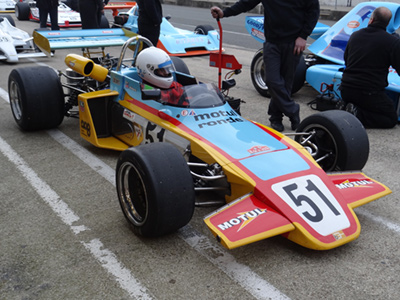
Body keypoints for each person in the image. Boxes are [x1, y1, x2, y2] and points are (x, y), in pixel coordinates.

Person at [211, 0, 319, 132]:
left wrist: (303, 36)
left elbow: (313, 12)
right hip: (272, 43)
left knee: (286, 84)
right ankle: (293, 110)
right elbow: (246, 3)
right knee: (272, 81)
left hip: (294, 44)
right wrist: (224, 12)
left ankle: (275, 117)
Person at [340, 6, 400, 129]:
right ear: (387, 23)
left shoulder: (355, 35)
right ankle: (357, 114)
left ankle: (348, 106)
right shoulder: (392, 42)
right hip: (369, 92)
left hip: (346, 88)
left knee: (366, 101)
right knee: (390, 118)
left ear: (371, 20)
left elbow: (346, 60)